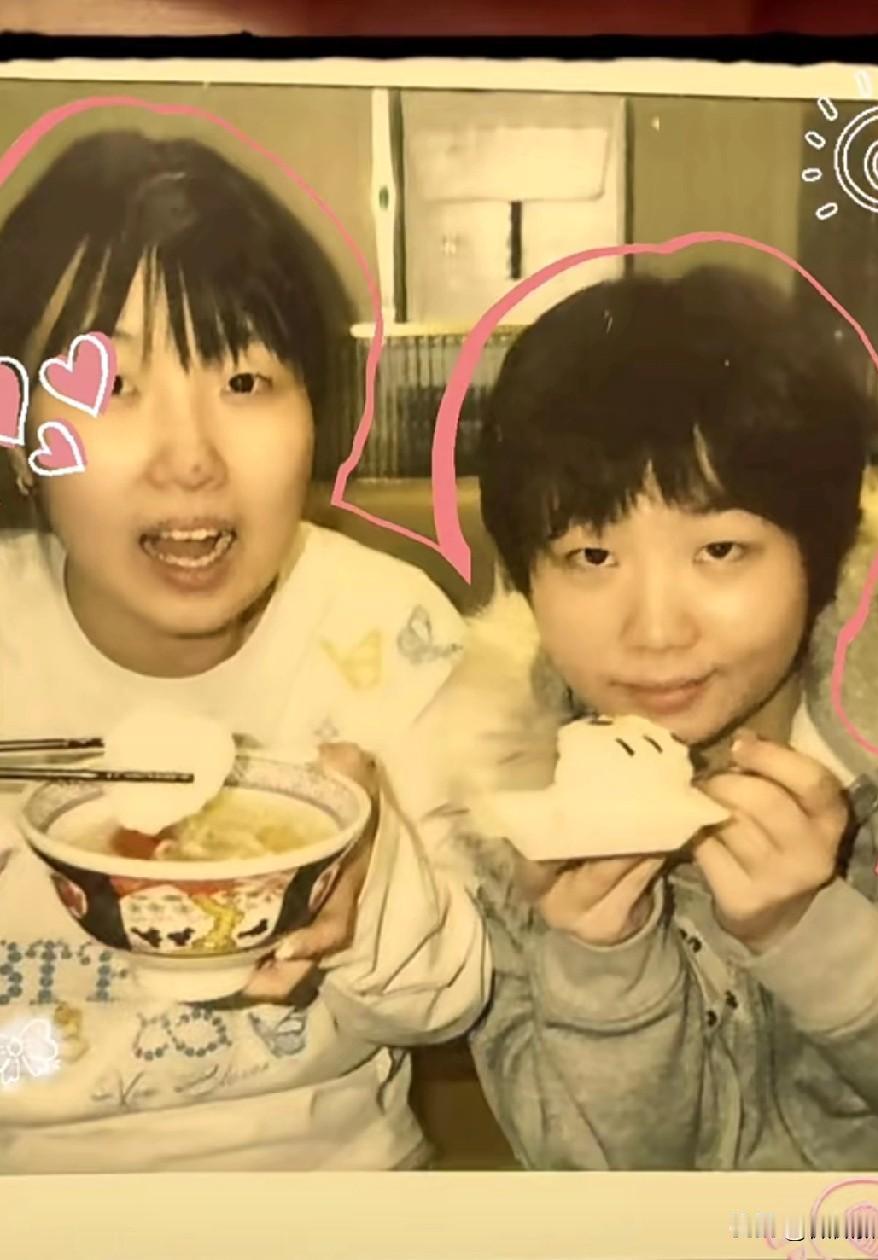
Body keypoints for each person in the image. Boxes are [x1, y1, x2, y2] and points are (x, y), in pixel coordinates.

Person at [0, 128, 488, 1172]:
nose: (191, 460)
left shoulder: (387, 631)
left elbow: (453, 998)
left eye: (245, 382)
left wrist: (373, 877)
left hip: (336, 1195)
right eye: (111, 385)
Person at [425, 262, 878, 1170]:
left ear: (816, 556)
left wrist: (812, 932)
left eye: (720, 549)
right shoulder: (507, 804)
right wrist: (601, 960)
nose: (655, 632)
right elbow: (597, 1186)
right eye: (591, 557)